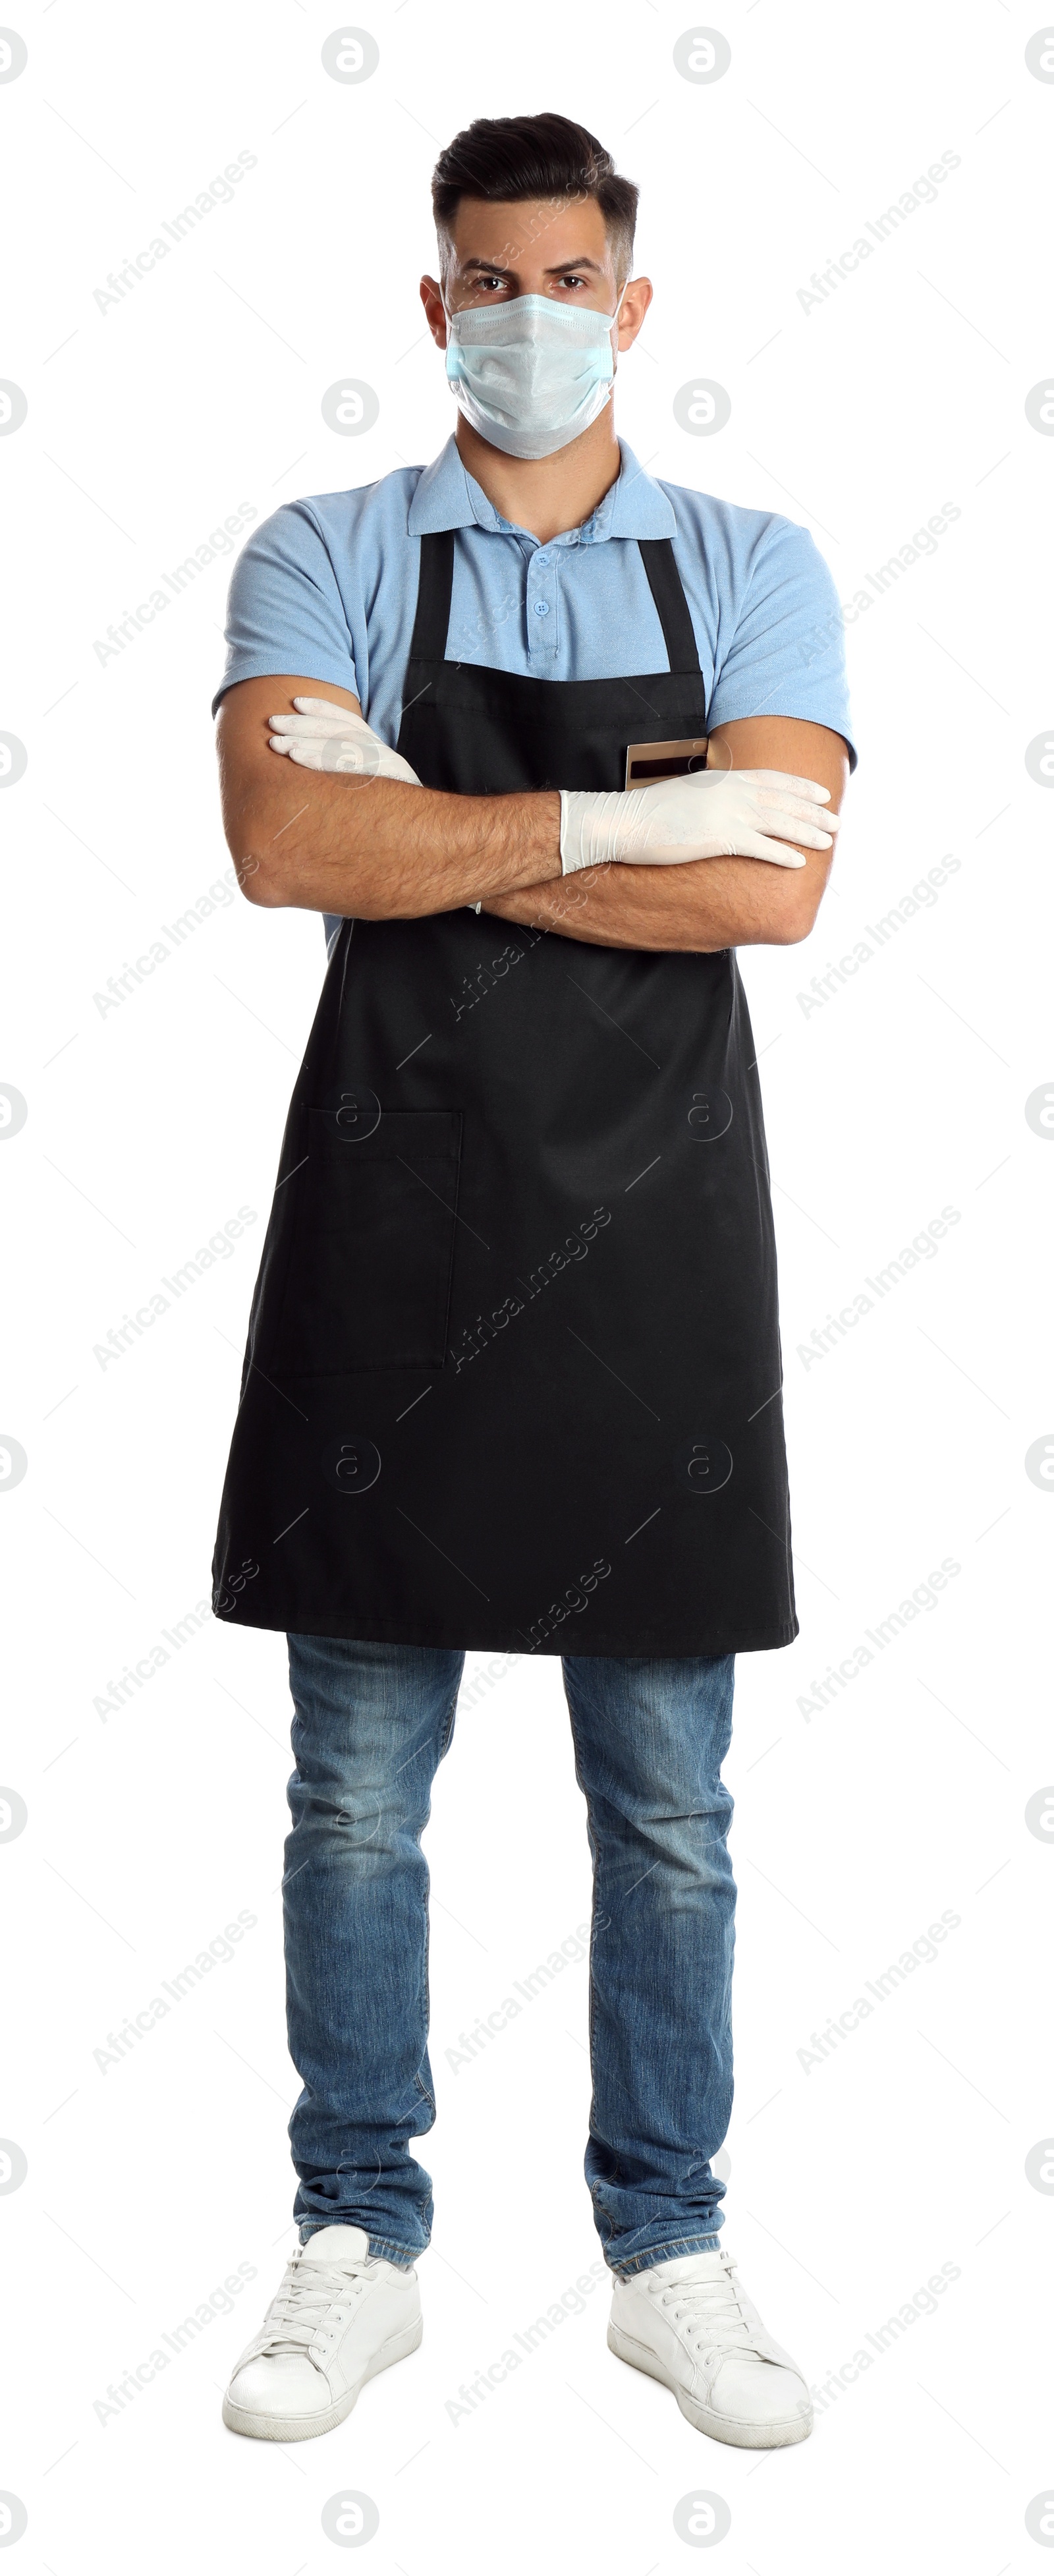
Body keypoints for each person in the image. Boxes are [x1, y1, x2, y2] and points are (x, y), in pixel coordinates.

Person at [211, 110, 854, 2452]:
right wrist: (626, 815)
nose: (527, 320)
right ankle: (357, 2233)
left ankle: (666, 2248)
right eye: (487, 281)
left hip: (656, 1245)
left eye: (567, 277)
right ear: (433, 304)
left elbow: (769, 895)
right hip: (396, 1230)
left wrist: (441, 833)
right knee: (353, 1798)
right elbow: (290, 842)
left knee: (666, 1799)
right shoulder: (325, 548)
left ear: (634, 301)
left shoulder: (759, 562)